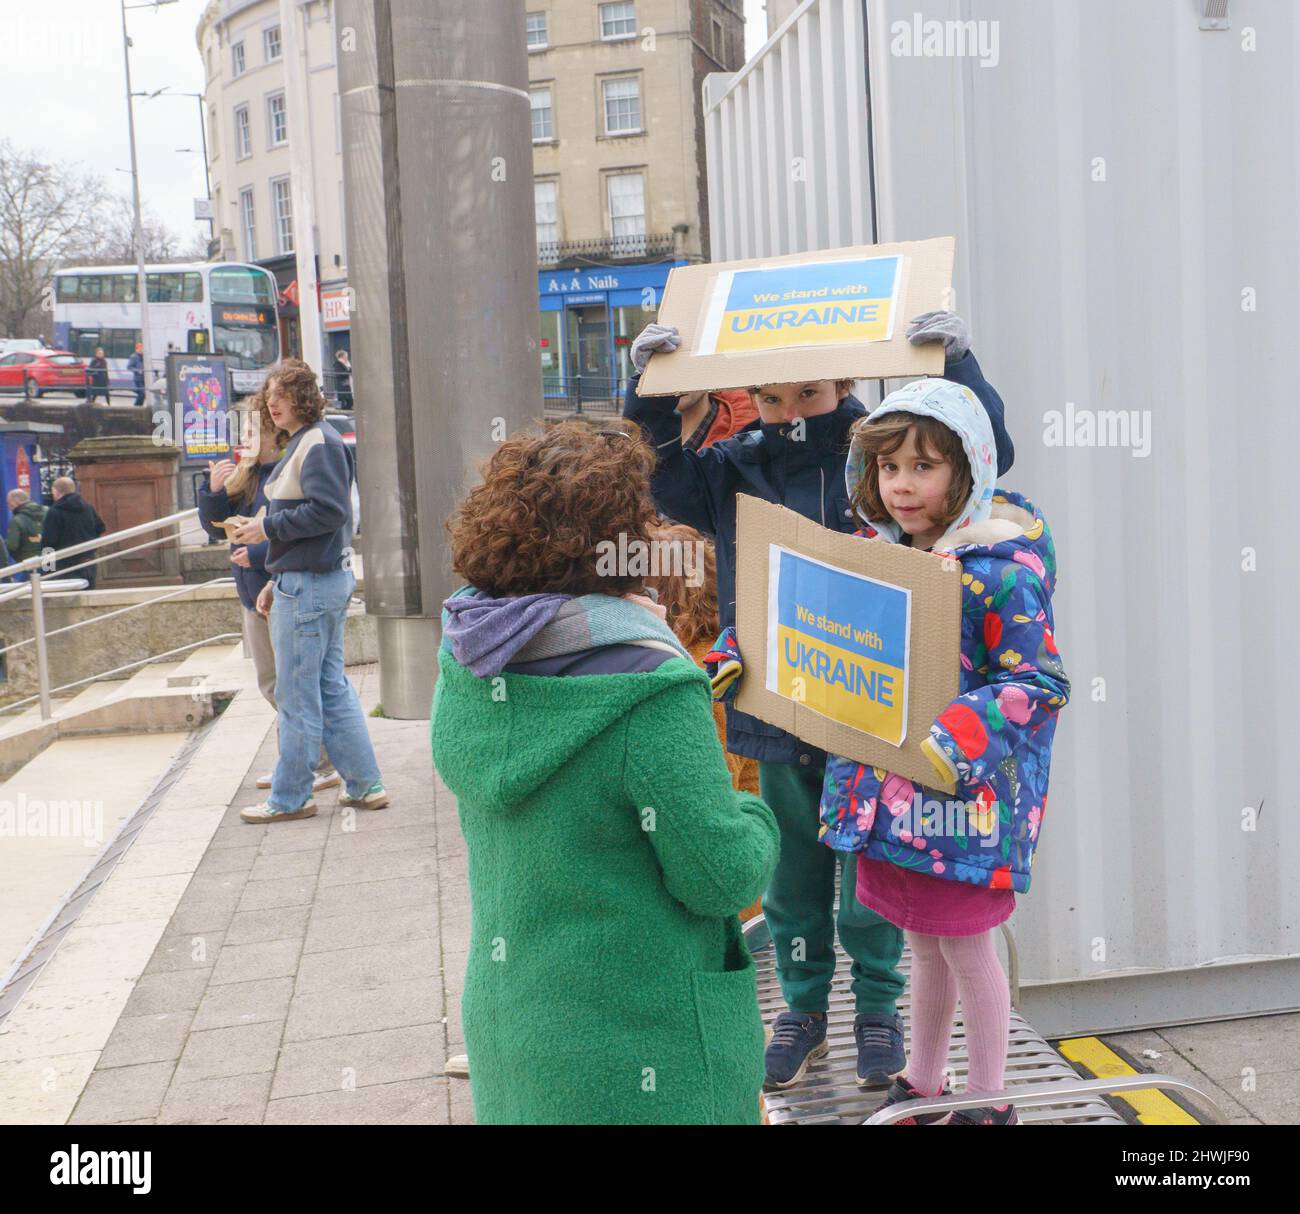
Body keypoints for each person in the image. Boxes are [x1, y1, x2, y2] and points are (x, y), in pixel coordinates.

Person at [624, 309, 1015, 1092]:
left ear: (843, 382)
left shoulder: (879, 452)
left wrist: (957, 363)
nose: (791, 414)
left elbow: (986, 455)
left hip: (877, 708)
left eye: (808, 393)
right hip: (779, 705)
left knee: (871, 877)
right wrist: (650, 393)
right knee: (794, 873)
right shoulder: (731, 467)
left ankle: (879, 1009)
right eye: (770, 400)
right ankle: (801, 1011)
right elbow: (658, 473)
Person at [431, 421, 779, 1124]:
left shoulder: (468, 659)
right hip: (643, 1052)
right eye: (643, 519)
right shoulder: (647, 688)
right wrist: (758, 813)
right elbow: (722, 877)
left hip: (516, 1037)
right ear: (614, 544)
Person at [819, 378, 1069, 1125]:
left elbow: (1038, 681)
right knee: (922, 949)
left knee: (968, 951)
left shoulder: (1002, 572)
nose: (902, 485)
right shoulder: (876, 554)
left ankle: (989, 1101)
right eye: (890, 467)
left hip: (965, 805)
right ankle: (923, 1086)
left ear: (968, 472)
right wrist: (753, 654)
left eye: (923, 467)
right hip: (893, 799)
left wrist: (965, 728)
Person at [233, 359, 386, 824]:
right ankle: (364, 785)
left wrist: (266, 529)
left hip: (309, 584)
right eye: (269, 397)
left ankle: (291, 796)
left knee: (298, 695)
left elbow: (328, 512)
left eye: (281, 395)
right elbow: (329, 517)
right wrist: (278, 577)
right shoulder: (318, 440)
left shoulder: (315, 442)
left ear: (303, 397)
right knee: (330, 688)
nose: (272, 404)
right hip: (315, 580)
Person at [197, 394, 339, 794]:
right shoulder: (248, 475)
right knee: (274, 684)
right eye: (241, 431)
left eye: (251, 430)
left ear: (272, 433)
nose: (244, 439)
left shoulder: (285, 473)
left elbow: (303, 526)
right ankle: (300, 762)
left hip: (276, 588)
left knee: (292, 686)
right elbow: (216, 527)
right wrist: (213, 490)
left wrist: (256, 552)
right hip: (252, 593)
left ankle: (318, 763)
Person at [42, 476, 106, 588]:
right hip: (87, 561)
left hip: (63, 565)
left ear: (56, 491)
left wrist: (48, 569)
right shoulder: (88, 508)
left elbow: (49, 542)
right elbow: (100, 528)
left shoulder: (55, 512)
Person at [6, 488, 47, 576]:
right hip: (49, 560)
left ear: (14, 502)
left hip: (28, 564)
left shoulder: (16, 520)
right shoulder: (47, 511)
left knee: (28, 587)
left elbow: (12, 545)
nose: (9, 507)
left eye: (9, 503)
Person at [126, 341, 145, 407]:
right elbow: (129, 367)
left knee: (143, 394)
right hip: (138, 378)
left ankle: (139, 406)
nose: (141, 349)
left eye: (142, 348)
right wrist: (137, 371)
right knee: (142, 393)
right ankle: (136, 406)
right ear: (136, 349)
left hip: (145, 378)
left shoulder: (144, 356)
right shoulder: (133, 356)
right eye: (140, 348)